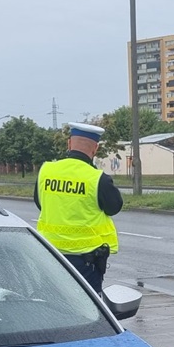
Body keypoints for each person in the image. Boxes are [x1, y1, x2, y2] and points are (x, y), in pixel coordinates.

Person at [34, 122, 124, 293]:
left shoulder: (46, 171)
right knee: (88, 311)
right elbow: (114, 207)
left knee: (50, 303)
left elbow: (40, 203)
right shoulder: (98, 179)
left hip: (50, 256)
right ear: (95, 148)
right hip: (85, 263)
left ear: (69, 143)